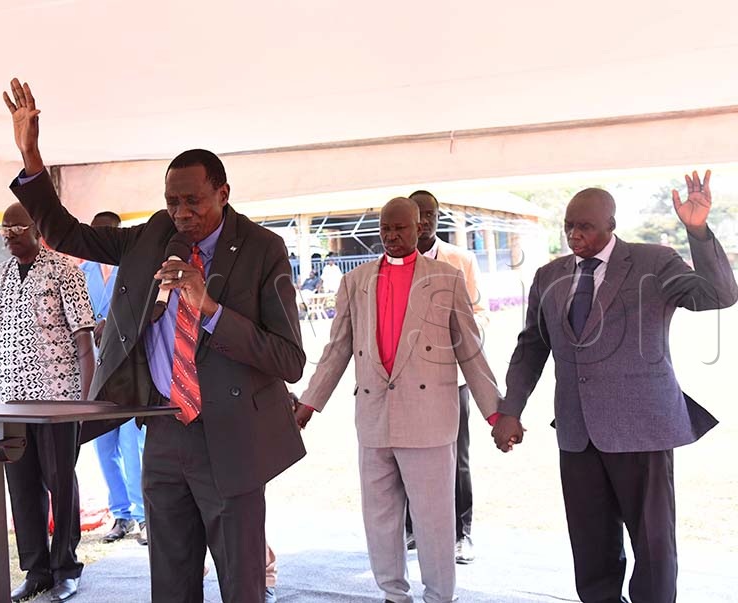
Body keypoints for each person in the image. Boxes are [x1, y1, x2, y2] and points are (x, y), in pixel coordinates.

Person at [2, 78, 306, 603]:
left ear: (223, 193)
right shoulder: (151, 236)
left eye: (193, 201)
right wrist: (32, 156)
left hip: (230, 437)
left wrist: (208, 309)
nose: (182, 212)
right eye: (172, 201)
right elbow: (68, 235)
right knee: (169, 579)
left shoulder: (263, 249)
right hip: (163, 433)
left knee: (242, 583)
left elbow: (289, 358)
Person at [494, 171, 738, 603]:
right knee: (590, 544)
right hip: (576, 431)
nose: (574, 234)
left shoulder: (654, 262)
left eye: (584, 226)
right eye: (568, 225)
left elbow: (719, 294)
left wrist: (697, 230)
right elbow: (531, 346)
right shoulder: (549, 275)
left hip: (641, 427)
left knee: (653, 544)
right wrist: (511, 410)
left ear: (610, 224)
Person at [294, 197, 502, 603]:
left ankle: (441, 596)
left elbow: (471, 352)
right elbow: (336, 350)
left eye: (400, 228)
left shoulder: (447, 278)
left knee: (434, 519)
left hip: (429, 420)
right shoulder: (356, 281)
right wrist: (307, 406)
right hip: (374, 418)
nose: (392, 236)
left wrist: (497, 414)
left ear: (420, 227)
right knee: (381, 519)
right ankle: (393, 594)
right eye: (385, 229)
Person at [0, 203, 96, 602]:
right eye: (4, 230)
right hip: (11, 401)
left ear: (36, 228)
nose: (8, 236)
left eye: (16, 228)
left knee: (60, 482)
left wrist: (85, 403)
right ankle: (36, 570)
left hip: (58, 400)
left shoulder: (64, 271)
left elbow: (84, 342)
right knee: (20, 487)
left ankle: (66, 568)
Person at [403, 190, 487, 564]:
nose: (422, 221)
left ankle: (461, 533)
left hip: (450, 378)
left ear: (438, 218)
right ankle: (411, 528)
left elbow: (480, 313)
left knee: (456, 457)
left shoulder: (461, 261)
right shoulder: (387, 263)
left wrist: (452, 339)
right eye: (415, 214)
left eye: (429, 214)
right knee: (404, 453)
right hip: (402, 380)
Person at [80, 211, 148, 545]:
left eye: (106, 234)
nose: (100, 241)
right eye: (95, 234)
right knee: (102, 444)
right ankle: (121, 514)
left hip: (127, 369)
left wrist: (111, 323)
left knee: (131, 442)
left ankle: (143, 515)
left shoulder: (134, 268)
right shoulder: (81, 273)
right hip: (94, 370)